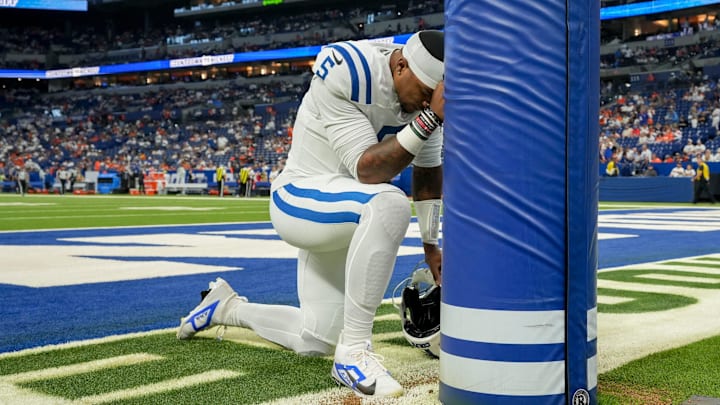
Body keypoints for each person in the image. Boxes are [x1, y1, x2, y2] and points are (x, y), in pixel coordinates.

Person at [177, 30, 445, 398]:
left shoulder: (423, 99)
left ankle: (225, 307)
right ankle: (353, 354)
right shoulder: (351, 68)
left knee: (315, 338)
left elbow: (428, 174)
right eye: (426, 93)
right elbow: (366, 170)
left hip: (345, 210)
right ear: (400, 66)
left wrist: (432, 246)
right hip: (300, 196)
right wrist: (431, 116)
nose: (428, 102)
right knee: (388, 201)